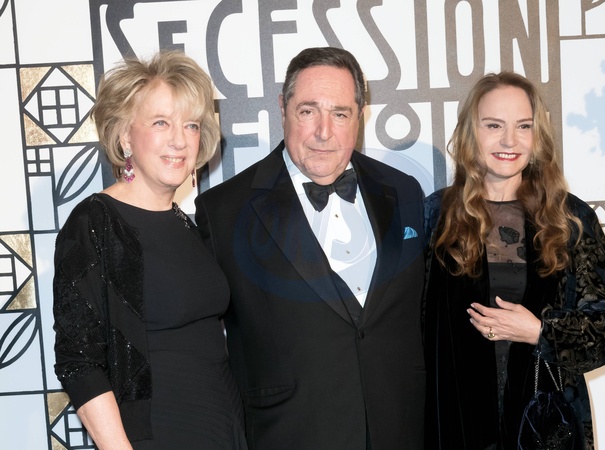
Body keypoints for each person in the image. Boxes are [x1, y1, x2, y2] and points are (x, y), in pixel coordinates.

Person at [195, 46, 426, 450]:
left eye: (340, 114)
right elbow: (200, 350)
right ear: (283, 109)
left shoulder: (404, 192)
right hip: (289, 434)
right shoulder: (224, 211)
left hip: (399, 428)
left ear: (360, 116)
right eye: (308, 111)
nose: (324, 132)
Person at [423, 72, 605, 450]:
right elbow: (409, 327)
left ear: (538, 135)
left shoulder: (569, 218)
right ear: (471, 132)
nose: (509, 140)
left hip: (543, 426)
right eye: (493, 125)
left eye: (523, 126)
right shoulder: (436, 216)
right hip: (456, 424)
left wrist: (540, 331)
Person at [52, 50, 247, 450]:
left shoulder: (185, 223)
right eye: (161, 122)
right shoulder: (96, 222)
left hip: (221, 430)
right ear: (125, 135)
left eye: (191, 125)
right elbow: (79, 362)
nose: (180, 140)